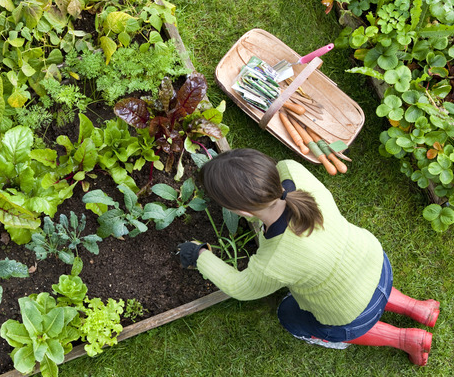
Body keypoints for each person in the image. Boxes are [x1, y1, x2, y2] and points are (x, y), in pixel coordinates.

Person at [177, 149, 440, 366]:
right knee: (359, 284)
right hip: (374, 262)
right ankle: (419, 308)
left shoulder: (275, 261)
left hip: (351, 312)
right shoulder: (292, 170)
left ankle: (405, 339)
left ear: (243, 211)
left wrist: (199, 255)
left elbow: (240, 287)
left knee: (289, 315)